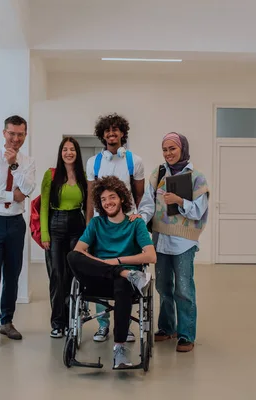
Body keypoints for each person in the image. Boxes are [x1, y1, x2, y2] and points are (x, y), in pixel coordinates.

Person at [67, 176, 156, 368]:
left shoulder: (136, 223)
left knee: (122, 283)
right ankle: (124, 273)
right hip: (100, 280)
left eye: (112, 197)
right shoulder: (97, 223)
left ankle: (120, 347)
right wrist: (119, 269)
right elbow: (79, 251)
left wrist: (117, 261)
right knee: (72, 256)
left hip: (123, 286)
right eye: (104, 199)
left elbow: (151, 256)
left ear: (122, 198)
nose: (108, 202)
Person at [134, 132, 209, 353]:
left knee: (184, 289)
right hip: (159, 239)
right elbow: (148, 204)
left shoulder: (197, 177)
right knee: (162, 286)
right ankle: (167, 328)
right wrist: (140, 218)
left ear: (182, 149)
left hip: (184, 241)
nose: (168, 154)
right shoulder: (157, 174)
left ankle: (186, 334)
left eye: (172, 149)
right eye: (165, 149)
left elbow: (198, 211)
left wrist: (179, 200)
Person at [85, 113, 145, 343]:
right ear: (102, 135)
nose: (112, 133)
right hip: (102, 224)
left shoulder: (134, 161)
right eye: (107, 130)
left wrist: (141, 220)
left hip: (128, 224)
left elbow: (139, 195)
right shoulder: (94, 162)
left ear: (122, 133)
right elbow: (92, 197)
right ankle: (102, 325)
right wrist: (89, 225)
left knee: (126, 269)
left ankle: (125, 325)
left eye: (116, 130)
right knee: (100, 269)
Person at [0, 115, 36, 349]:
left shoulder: (27, 161)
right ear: (4, 133)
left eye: (20, 134)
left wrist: (14, 165)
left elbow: (29, 187)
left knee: (13, 275)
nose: (15, 138)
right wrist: (12, 196)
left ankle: (7, 321)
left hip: (14, 223)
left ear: (25, 135)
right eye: (11, 133)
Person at [40, 137, 87, 338]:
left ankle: (71, 321)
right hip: (56, 225)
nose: (69, 152)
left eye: (72, 149)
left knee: (74, 275)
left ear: (77, 153)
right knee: (57, 276)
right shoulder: (51, 175)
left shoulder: (83, 176)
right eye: (65, 149)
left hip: (77, 224)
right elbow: (43, 206)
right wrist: (44, 234)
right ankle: (57, 322)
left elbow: (87, 206)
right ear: (61, 153)